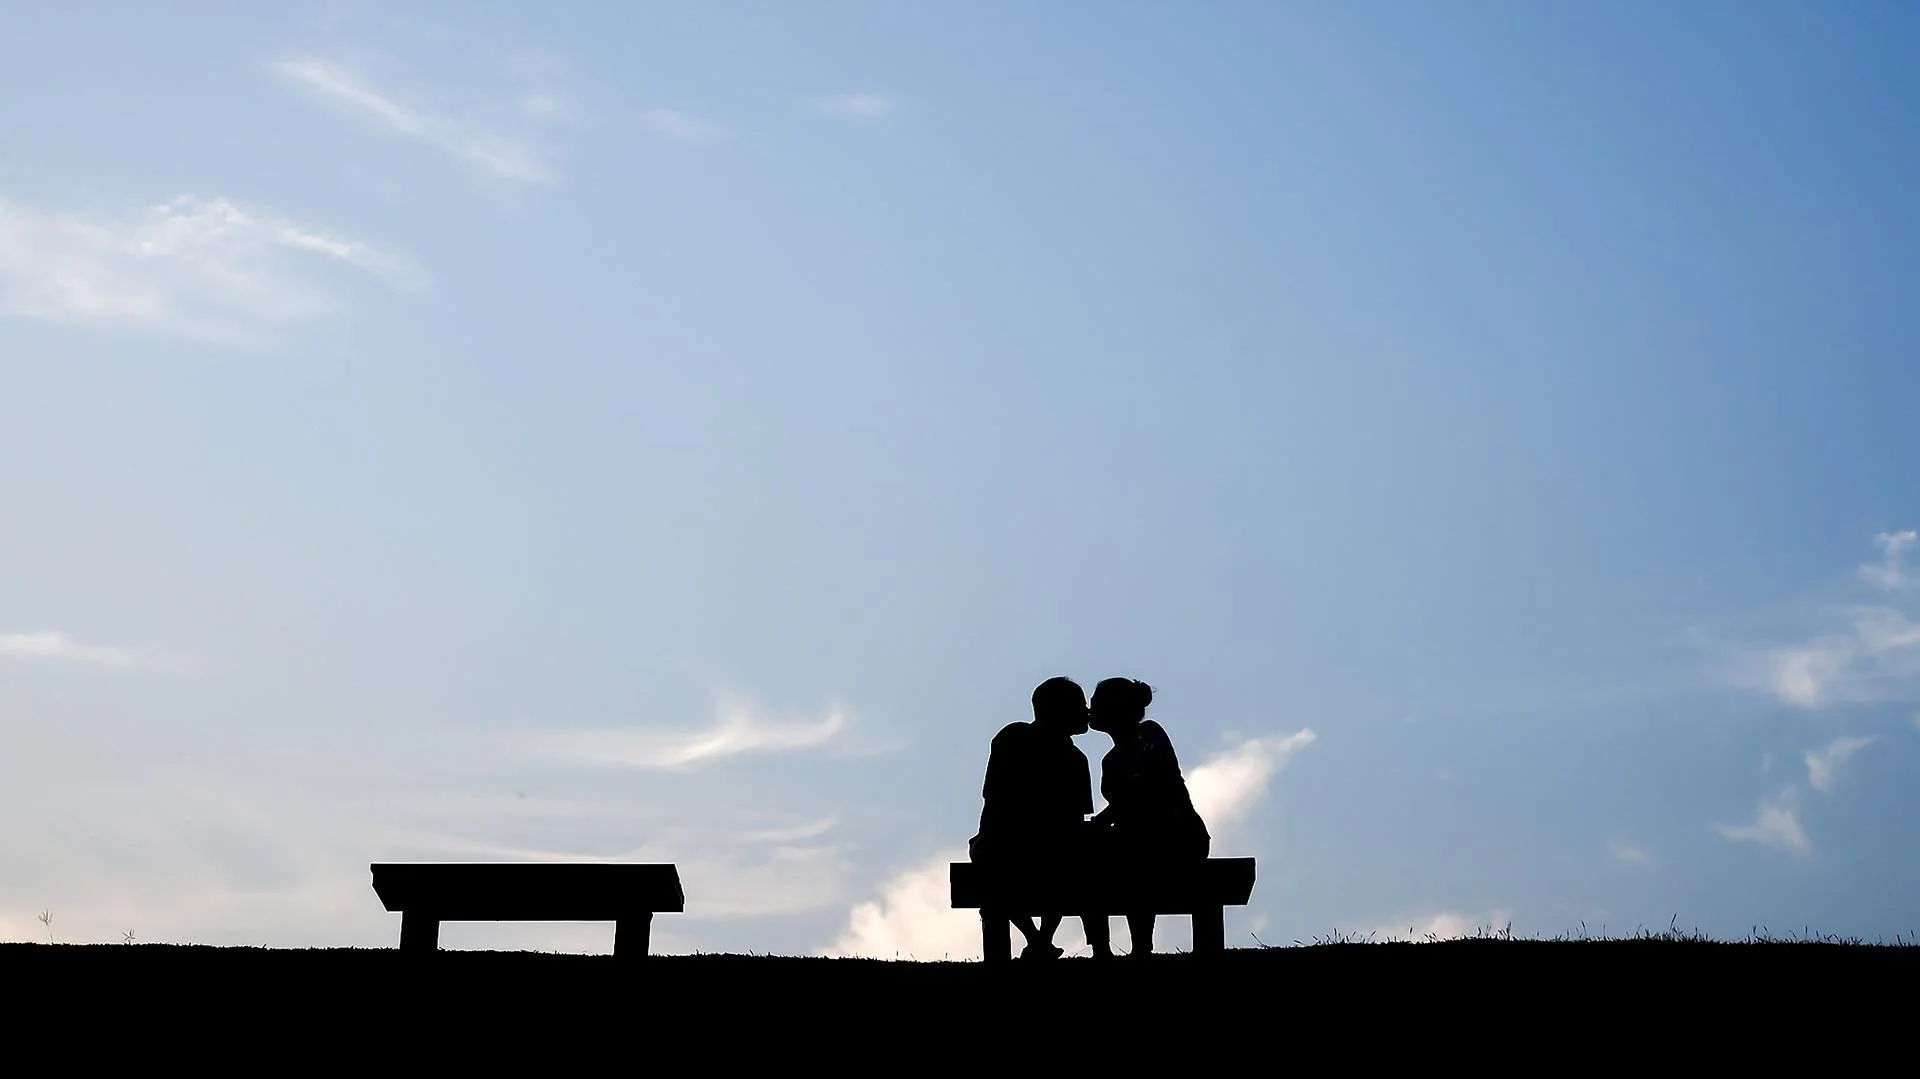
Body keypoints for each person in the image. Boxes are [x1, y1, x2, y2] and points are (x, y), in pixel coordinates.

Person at [969, 676, 1100, 959]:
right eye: (1079, 705)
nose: (1086, 711)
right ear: (1059, 711)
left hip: (1011, 847)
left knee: (1006, 864)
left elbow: (992, 800)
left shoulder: (1012, 738)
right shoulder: (1074, 759)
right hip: (1032, 850)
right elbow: (1073, 823)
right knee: (1066, 859)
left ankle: (1038, 940)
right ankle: (1041, 940)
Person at [1088, 677, 1209, 956]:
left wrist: (1101, 824)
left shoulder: (1150, 734)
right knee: (1102, 854)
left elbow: (1142, 791)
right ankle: (1101, 947)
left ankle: (1140, 946)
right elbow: (1125, 804)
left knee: (1133, 855)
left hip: (1178, 835)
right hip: (1136, 839)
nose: (1089, 708)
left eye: (1095, 703)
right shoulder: (1109, 760)